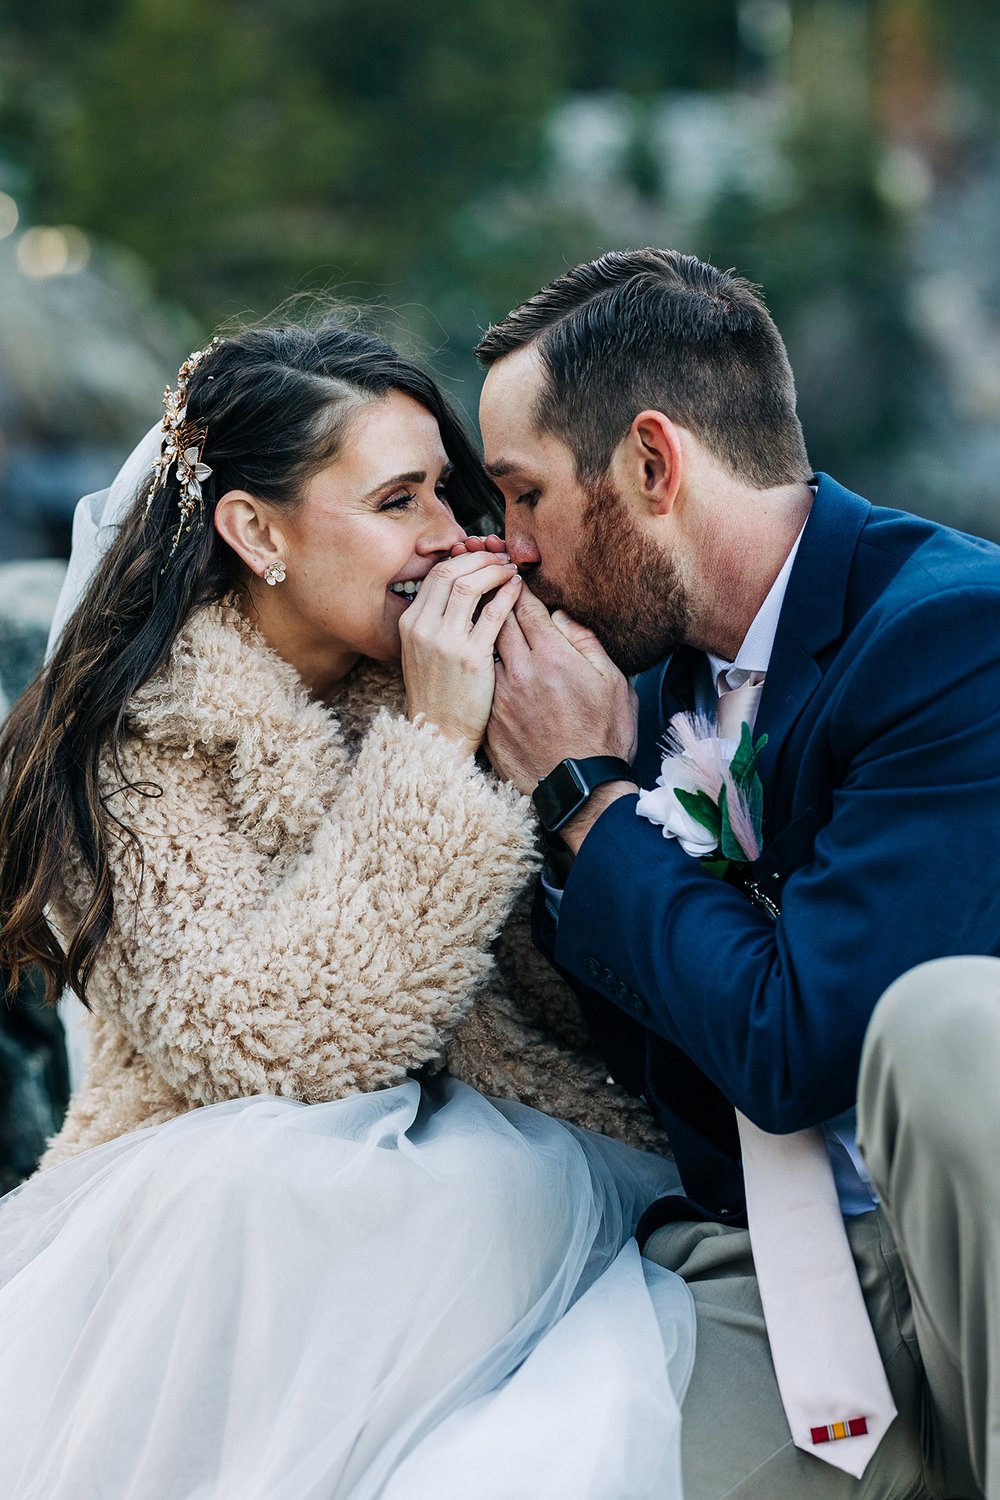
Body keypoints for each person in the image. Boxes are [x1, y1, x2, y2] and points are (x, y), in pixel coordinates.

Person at [0, 318, 695, 1499]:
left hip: (513, 1155)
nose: (448, 536)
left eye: (447, 489)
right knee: (266, 1184)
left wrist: (567, 759)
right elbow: (269, 1040)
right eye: (396, 501)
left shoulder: (503, 673)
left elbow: (575, 1005)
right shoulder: (128, 745)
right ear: (255, 530)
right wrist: (430, 747)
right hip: (223, 1205)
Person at [475, 246, 1000, 1500]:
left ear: (652, 465)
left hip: (969, 1252)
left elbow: (800, 1045)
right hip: (784, 1276)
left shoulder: (951, 635)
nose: (511, 553)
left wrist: (588, 805)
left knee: (941, 1026)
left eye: (523, 497)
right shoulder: (632, 688)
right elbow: (640, 1034)